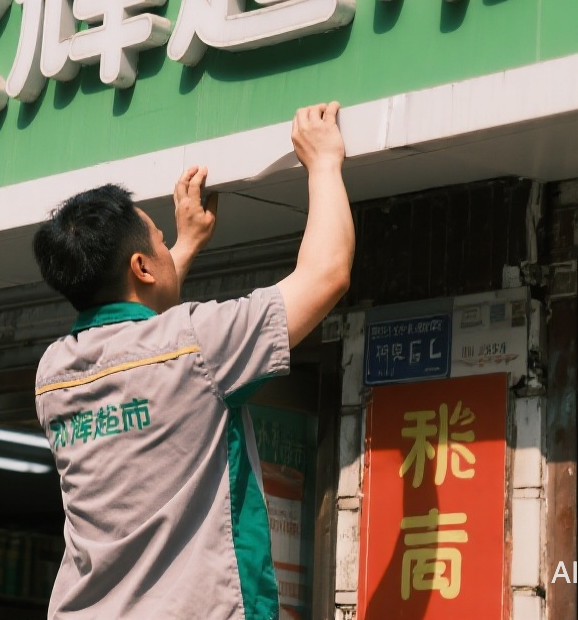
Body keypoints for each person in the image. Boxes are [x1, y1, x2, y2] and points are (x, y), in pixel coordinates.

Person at [31, 103, 354, 619]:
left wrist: (184, 245)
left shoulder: (53, 375)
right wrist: (323, 162)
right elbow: (326, 274)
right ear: (141, 266)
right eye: (160, 242)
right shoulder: (197, 342)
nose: (167, 248)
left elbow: (139, 333)